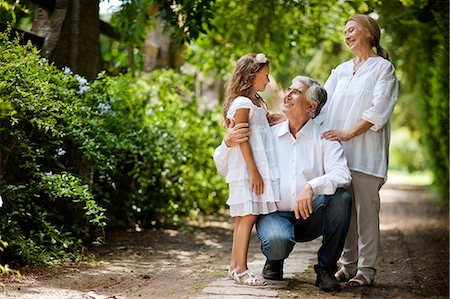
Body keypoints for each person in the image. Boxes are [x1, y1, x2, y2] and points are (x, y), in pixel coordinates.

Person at [214, 75, 352, 292]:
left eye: (295, 92)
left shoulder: (324, 137)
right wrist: (227, 143)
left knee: (342, 199)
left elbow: (343, 175)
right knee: (277, 243)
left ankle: (325, 269)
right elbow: (227, 166)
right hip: (274, 214)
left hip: (309, 215)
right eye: (289, 89)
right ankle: (275, 260)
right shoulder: (267, 133)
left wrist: (311, 186)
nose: (287, 95)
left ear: (311, 105)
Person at [318, 14, 399, 287]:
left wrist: (349, 133)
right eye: (345, 31)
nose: (347, 35)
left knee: (365, 214)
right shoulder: (340, 71)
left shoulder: (382, 69)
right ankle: (347, 265)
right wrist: (287, 117)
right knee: (345, 215)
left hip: (366, 154)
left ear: (368, 33)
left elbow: (379, 110)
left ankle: (366, 270)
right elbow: (319, 104)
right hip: (339, 156)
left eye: (351, 29)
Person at [221, 53, 281, 286]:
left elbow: (261, 126)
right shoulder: (243, 104)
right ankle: (243, 270)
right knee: (247, 216)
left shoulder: (255, 102)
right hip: (247, 169)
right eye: (265, 75)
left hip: (252, 167)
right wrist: (254, 171)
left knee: (244, 217)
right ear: (251, 76)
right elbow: (242, 139)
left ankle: (234, 266)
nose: (268, 80)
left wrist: (272, 118)